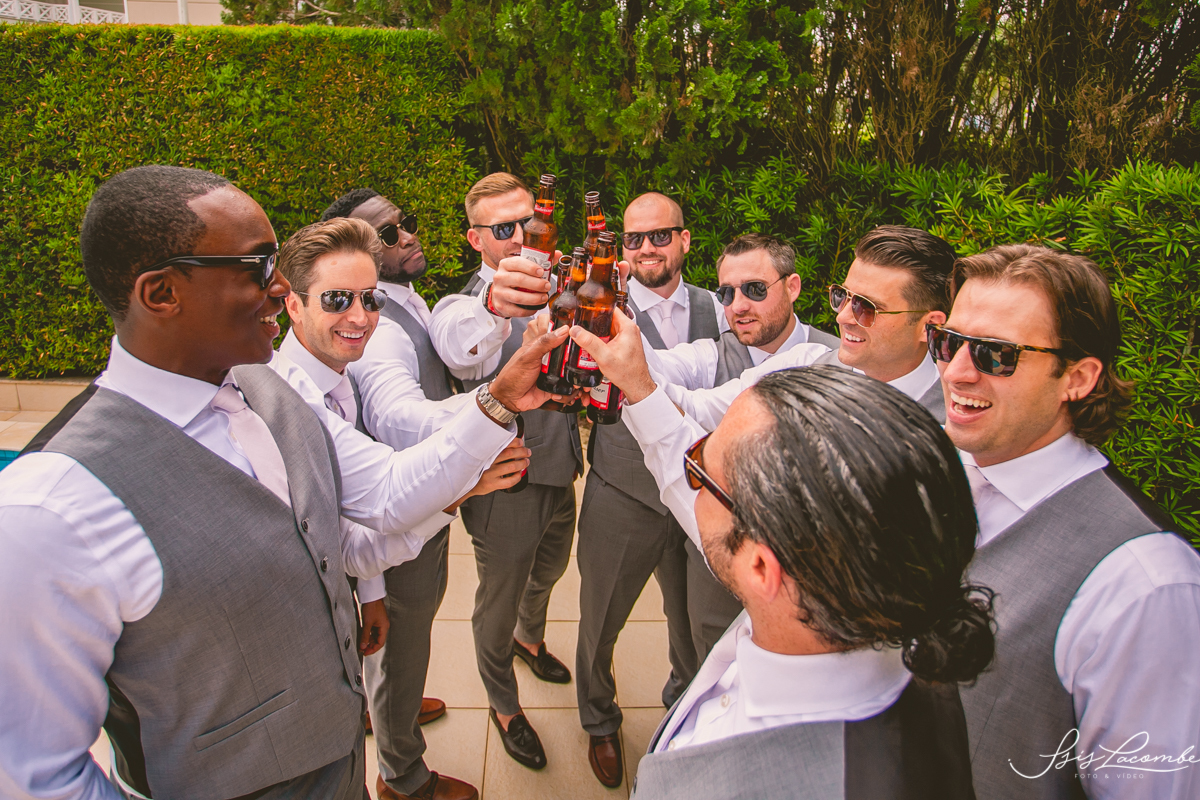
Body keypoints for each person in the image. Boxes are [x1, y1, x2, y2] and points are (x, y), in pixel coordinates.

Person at [0, 165, 566, 800]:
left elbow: (370, 508)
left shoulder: (271, 390)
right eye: (256, 268)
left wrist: (499, 401)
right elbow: (33, 781)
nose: (278, 288)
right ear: (161, 293)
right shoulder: (48, 508)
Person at [558, 329, 993, 796]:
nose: (688, 475)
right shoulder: (838, 606)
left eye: (700, 467)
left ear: (762, 568)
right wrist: (640, 387)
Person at [934, 244, 1200, 800]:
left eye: (996, 355)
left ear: (1076, 377)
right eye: (948, 341)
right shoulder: (927, 474)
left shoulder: (1146, 583)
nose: (956, 371)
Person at [278, 213, 527, 800]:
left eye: (369, 299)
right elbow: (385, 497)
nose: (360, 316)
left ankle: (393, 719)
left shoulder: (338, 374)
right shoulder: (295, 398)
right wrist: (499, 401)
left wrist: (371, 595)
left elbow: (352, 528)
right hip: (299, 629)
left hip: (354, 577)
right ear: (292, 305)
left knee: (387, 664)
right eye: (337, 299)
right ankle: (403, 779)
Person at [426, 172, 584, 771]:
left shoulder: (559, 283)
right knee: (497, 600)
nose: (521, 236)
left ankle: (530, 637)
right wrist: (496, 304)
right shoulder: (462, 307)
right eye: (503, 228)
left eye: (529, 221)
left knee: (551, 569)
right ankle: (504, 704)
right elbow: (462, 345)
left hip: (562, 466)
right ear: (475, 239)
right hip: (505, 484)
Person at [637, 232, 838, 673]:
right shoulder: (713, 352)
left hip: (802, 572)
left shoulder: (832, 357)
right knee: (704, 652)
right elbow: (657, 368)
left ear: (793, 286)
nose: (738, 306)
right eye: (727, 293)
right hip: (718, 550)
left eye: (755, 289)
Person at [653, 225, 955, 432]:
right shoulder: (807, 363)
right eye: (842, 297)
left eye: (866, 308)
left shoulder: (956, 427)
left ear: (928, 326)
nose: (842, 317)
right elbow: (700, 409)